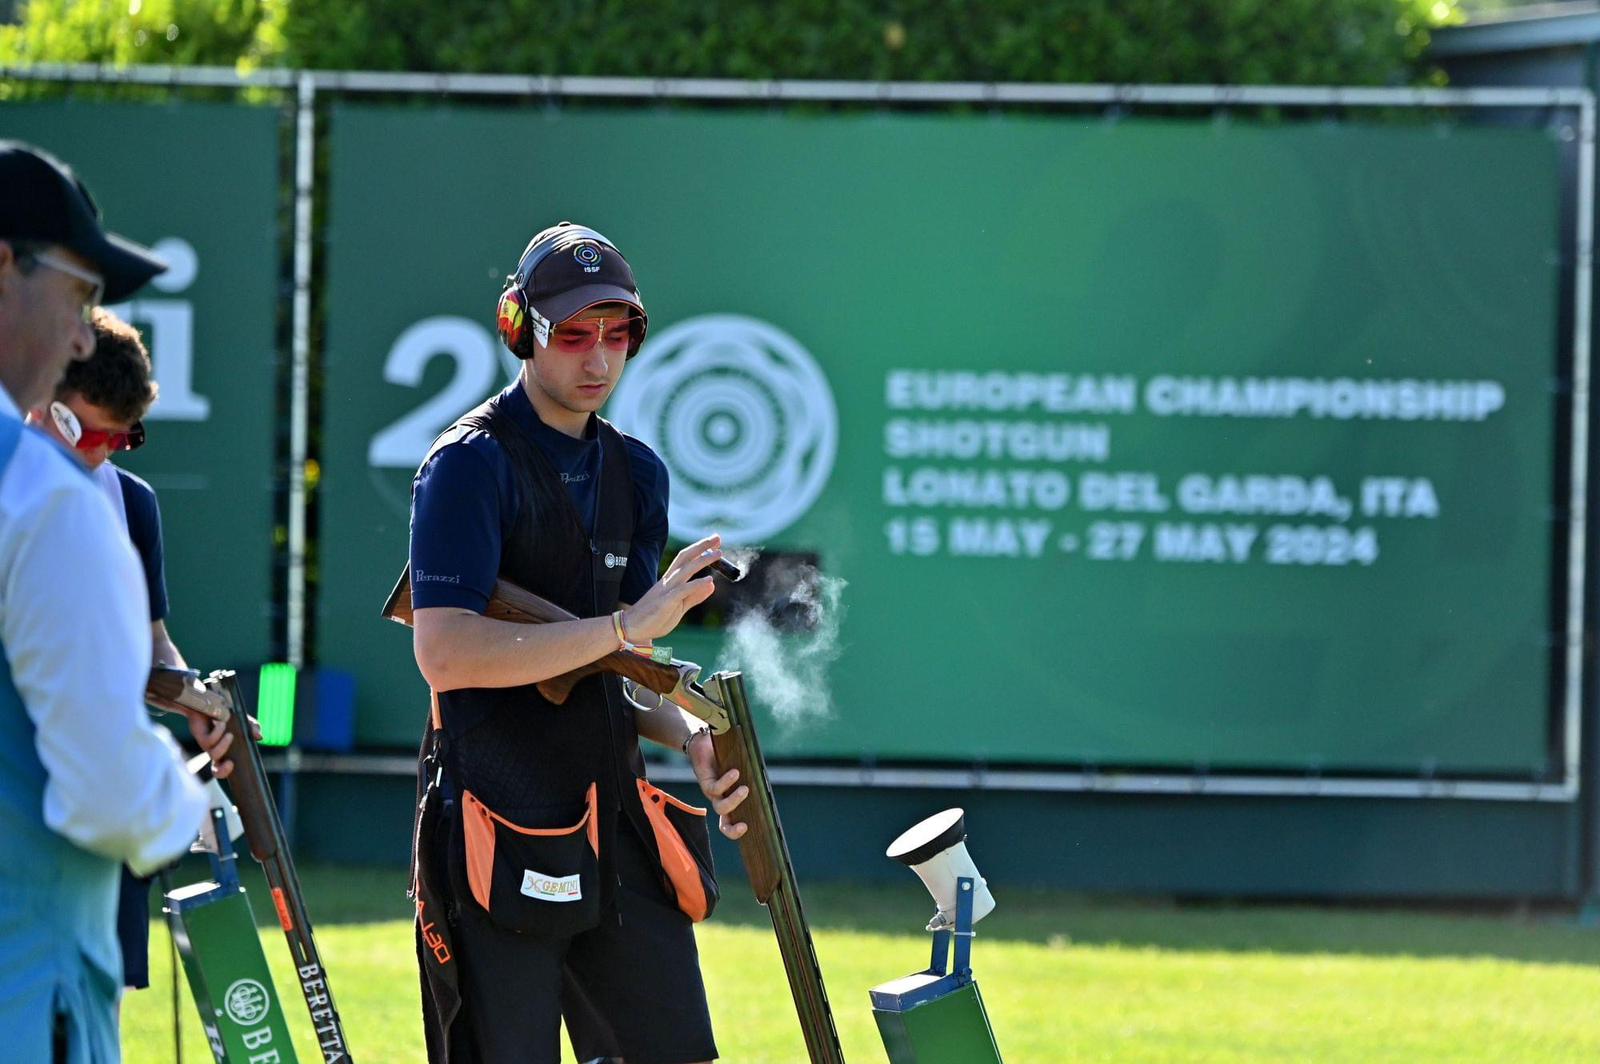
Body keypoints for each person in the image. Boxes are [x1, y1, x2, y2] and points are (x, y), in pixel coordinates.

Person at [407, 221, 748, 1064]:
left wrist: (691, 734)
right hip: (494, 820)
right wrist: (626, 626)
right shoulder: (466, 464)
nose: (598, 358)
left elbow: (616, 675)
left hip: (617, 818)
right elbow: (444, 653)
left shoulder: (638, 475)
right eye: (573, 334)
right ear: (521, 329)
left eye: (617, 333)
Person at [0, 141, 208, 1062]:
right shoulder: (46, 498)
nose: (86, 334)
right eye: (81, 295)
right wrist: (186, 802)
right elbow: (112, 796)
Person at [27, 306, 247, 999]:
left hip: (104, 793)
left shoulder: (134, 505)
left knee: (100, 1002)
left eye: (123, 440)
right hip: (22, 800)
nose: (99, 452)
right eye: (86, 432)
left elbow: (152, 647)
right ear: (44, 402)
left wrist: (201, 706)